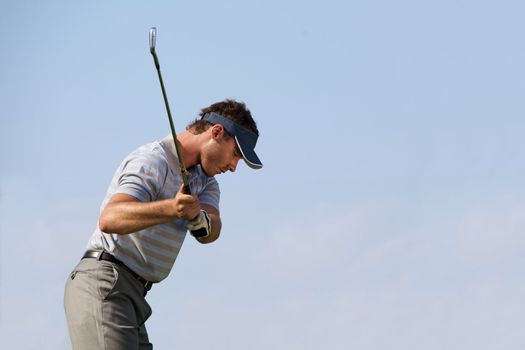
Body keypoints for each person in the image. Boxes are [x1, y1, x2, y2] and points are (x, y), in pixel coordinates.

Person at [64, 99, 262, 350]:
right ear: (216, 132)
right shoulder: (153, 159)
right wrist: (173, 208)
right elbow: (110, 218)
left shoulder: (207, 182)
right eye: (235, 154)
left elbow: (212, 228)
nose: (234, 167)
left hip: (134, 296)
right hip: (105, 282)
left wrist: (199, 219)